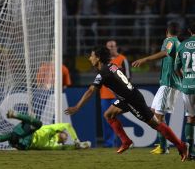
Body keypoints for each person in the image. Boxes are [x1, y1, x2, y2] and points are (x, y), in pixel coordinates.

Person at [65, 46, 189, 161]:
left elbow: (90, 91)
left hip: (132, 100)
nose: (89, 58)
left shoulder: (103, 73)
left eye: (92, 56)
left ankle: (181, 145)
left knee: (156, 125)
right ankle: (126, 141)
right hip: (127, 97)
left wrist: (77, 107)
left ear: (98, 58)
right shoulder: (112, 66)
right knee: (108, 114)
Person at [132, 22, 181, 154]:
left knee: (157, 117)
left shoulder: (171, 41)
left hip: (169, 83)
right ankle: (164, 146)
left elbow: (165, 52)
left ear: (167, 31)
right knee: (155, 114)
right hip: (166, 83)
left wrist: (145, 59)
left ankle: (169, 146)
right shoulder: (174, 41)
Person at [0, 110, 91, 150]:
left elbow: (72, 148)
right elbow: (68, 126)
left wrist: (80, 146)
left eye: (67, 139)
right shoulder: (54, 129)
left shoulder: (56, 146)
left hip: (25, 144)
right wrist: (76, 140)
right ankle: (15, 114)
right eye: (66, 135)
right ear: (61, 132)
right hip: (28, 131)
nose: (66, 137)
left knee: (10, 137)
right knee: (38, 123)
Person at [100, 40, 131, 147]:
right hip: (104, 95)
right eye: (108, 47)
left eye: (112, 46)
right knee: (106, 119)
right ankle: (108, 143)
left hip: (117, 95)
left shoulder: (122, 59)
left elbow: (128, 77)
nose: (111, 48)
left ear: (116, 47)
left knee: (115, 118)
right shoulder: (103, 61)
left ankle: (117, 141)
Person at [175, 22, 195, 159]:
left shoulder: (182, 45)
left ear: (189, 30)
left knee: (190, 118)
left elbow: (176, 68)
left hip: (187, 86)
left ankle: (189, 149)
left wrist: (185, 79)